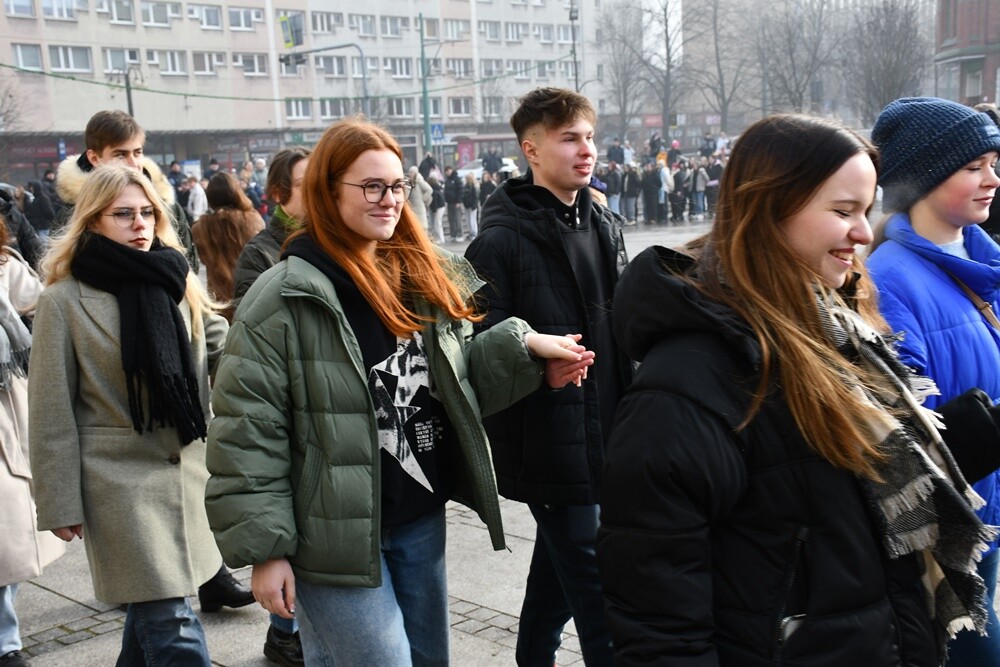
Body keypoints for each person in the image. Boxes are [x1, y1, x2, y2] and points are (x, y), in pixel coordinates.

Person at [596, 113, 1000, 666]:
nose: (863, 233)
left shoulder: (835, 328)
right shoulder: (684, 387)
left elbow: (857, 486)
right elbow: (659, 628)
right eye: (842, 211)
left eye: (864, 209)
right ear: (769, 210)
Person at [203, 117, 593, 666]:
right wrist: (266, 552)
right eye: (371, 186)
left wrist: (527, 353)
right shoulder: (281, 296)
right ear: (327, 190)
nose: (389, 200)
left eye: (396, 186)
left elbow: (452, 383)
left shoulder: (419, 277)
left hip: (418, 520)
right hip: (330, 538)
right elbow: (246, 432)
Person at [28, 164, 236, 666]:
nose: (140, 224)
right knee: (173, 624)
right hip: (117, 485)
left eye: (147, 213)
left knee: (152, 620)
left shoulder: (175, 277)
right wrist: (58, 500)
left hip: (186, 472)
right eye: (123, 214)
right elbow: (50, 408)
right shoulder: (64, 301)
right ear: (93, 221)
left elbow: (221, 348)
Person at [465, 87, 633, 667]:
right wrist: (535, 353)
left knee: (560, 568)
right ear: (530, 149)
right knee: (598, 589)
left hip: (610, 425)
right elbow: (473, 347)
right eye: (569, 138)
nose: (585, 150)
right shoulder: (497, 241)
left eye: (589, 136)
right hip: (547, 439)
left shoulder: (605, 221)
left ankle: (532, 656)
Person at [866, 97, 1000, 667]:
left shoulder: (979, 259)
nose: (992, 178)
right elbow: (908, 432)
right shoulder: (888, 278)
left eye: (994, 162)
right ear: (923, 178)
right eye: (973, 167)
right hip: (948, 524)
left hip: (987, 502)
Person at [0, 219, 64, 667]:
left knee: (11, 530)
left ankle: (5, 640)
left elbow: (41, 297)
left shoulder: (5, 265)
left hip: (7, 406)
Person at [52, 110, 198, 270]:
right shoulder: (73, 214)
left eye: (137, 153)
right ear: (94, 158)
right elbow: (61, 271)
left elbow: (189, 267)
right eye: (120, 155)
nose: (133, 163)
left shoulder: (167, 207)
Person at [191, 172, 265, 322]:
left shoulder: (200, 228)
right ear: (235, 191)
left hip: (220, 301)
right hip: (253, 294)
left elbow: (203, 259)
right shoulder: (252, 219)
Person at [405, 165, 432, 230]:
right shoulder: (409, 182)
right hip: (412, 207)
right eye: (409, 172)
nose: (410, 174)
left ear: (415, 173)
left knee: (422, 226)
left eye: (412, 172)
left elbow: (429, 189)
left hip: (419, 207)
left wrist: (423, 199)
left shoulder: (419, 181)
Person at [443, 165, 464, 242]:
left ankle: (460, 234)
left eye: (448, 171)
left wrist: (459, 201)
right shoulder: (447, 180)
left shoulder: (457, 179)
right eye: (446, 172)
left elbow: (460, 190)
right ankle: (453, 234)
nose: (447, 173)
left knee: (457, 219)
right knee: (451, 219)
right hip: (449, 202)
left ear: (451, 170)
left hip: (456, 202)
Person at [427, 175, 447, 244]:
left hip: (438, 207)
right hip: (440, 206)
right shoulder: (438, 188)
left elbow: (434, 200)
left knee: (437, 223)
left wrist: (434, 210)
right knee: (437, 223)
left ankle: (440, 238)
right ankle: (440, 238)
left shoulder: (433, 190)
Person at [461, 172, 479, 239]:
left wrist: (474, 205)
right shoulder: (465, 186)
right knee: (468, 220)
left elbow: (475, 197)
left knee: (472, 220)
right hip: (467, 206)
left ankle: (474, 233)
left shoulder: (473, 187)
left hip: (472, 206)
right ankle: (470, 232)